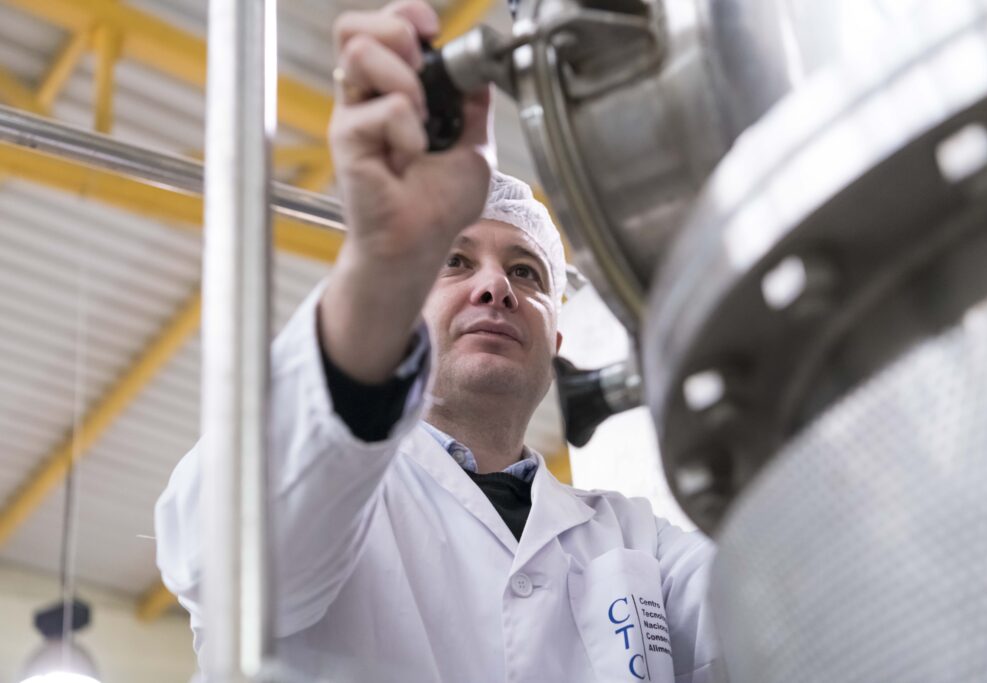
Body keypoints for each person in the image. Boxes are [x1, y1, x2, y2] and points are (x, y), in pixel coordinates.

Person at [154, 1, 725, 681]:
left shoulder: (637, 541)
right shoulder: (334, 492)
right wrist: (386, 261)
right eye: (454, 261)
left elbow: (780, 613)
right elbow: (222, 559)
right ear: (404, 309)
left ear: (556, 340)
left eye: (525, 272)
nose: (496, 287)